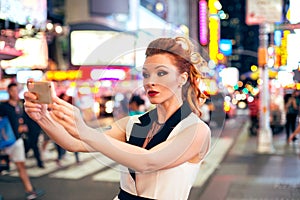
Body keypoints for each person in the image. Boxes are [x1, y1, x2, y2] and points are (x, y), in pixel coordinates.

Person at [24, 36, 211, 199]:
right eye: (146, 74)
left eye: (161, 73)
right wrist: (42, 117)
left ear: (182, 78)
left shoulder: (196, 130)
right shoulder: (132, 123)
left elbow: (148, 161)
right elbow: (74, 144)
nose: (150, 81)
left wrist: (83, 129)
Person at [0, 83, 44, 200]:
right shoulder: (3, 106)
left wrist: (23, 126)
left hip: (17, 140)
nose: (15, 93)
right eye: (12, 91)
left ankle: (29, 190)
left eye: (16, 91)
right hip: (4, 142)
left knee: (21, 166)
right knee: (2, 168)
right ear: (8, 92)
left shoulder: (20, 105)